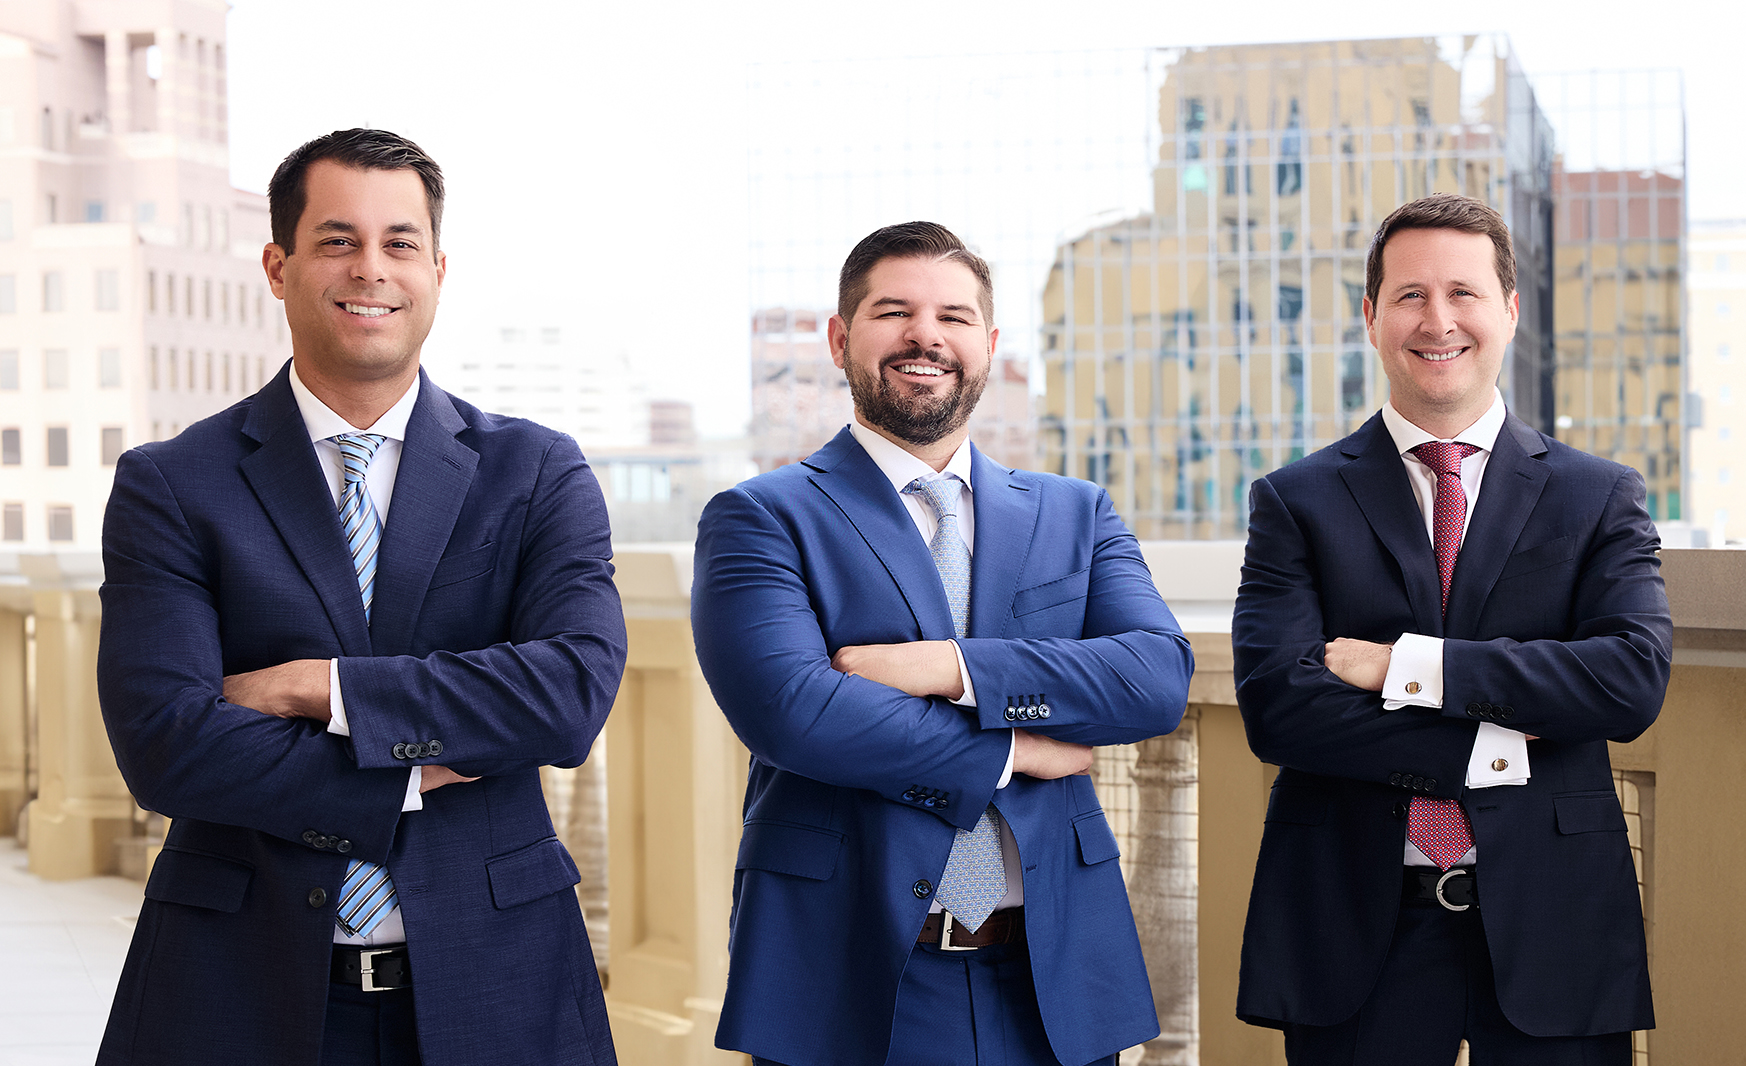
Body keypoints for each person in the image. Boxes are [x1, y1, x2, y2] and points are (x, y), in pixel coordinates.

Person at [94, 129, 625, 1066]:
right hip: (233, 986)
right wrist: (413, 769)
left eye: (400, 243)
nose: (371, 269)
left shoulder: (536, 471)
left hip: (498, 985)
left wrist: (320, 689)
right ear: (279, 264)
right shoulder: (173, 483)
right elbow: (164, 741)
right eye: (338, 240)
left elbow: (570, 694)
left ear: (437, 269)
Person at [691, 221, 1194, 1066]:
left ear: (989, 346)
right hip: (847, 970)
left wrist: (956, 669)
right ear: (841, 338)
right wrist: (1014, 751)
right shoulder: (761, 517)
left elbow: (1154, 679)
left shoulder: (1077, 512)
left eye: (955, 317)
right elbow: (794, 711)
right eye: (896, 312)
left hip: (1054, 976)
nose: (928, 335)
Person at [1232, 193, 1672, 1064]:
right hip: (1355, 926)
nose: (1439, 321)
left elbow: (1627, 680)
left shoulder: (1599, 495)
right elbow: (1281, 708)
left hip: (1556, 921)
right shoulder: (1295, 501)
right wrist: (1497, 745)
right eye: (1410, 296)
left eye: (1464, 293)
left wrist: (1410, 667)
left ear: (1509, 310)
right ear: (1371, 316)